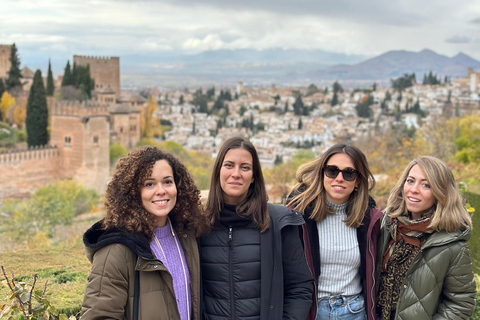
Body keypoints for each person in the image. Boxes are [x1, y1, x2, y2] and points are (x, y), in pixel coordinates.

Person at [81, 146, 208, 320]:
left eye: (167, 182)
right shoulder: (116, 250)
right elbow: (98, 316)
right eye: (149, 184)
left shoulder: (187, 236)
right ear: (133, 192)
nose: (161, 190)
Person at [199, 136, 314, 320]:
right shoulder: (198, 225)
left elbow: (300, 287)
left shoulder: (278, 223)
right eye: (229, 165)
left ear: (253, 177)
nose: (236, 173)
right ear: (218, 171)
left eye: (245, 167)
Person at [287, 143, 383, 320]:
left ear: (358, 180)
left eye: (349, 173)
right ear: (322, 173)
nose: (339, 178)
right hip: (312, 311)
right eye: (332, 170)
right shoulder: (297, 216)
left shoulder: (370, 220)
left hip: (355, 312)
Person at [376, 156, 476, 320]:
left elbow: (461, 304)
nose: (414, 189)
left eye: (426, 185)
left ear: (441, 193)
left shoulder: (452, 244)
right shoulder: (386, 225)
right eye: (410, 181)